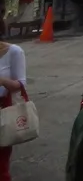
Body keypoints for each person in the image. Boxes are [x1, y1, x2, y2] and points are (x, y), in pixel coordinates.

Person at [0, 20, 27, 181]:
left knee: (1, 165)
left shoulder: (14, 52)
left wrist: (2, 81)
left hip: (2, 111)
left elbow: (20, 85)